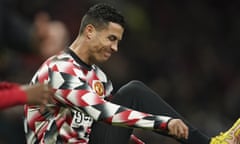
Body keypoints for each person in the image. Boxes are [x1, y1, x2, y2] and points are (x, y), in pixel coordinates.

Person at [24, 3, 240, 144]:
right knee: (133, 92)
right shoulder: (58, 70)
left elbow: (113, 128)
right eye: (111, 39)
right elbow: (104, 112)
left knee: (131, 95)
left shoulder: (99, 77)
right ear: (90, 31)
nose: (115, 48)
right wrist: (162, 123)